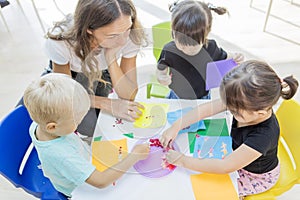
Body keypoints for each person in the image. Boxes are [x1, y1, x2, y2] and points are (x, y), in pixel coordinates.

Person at [159, 60, 298, 198]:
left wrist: (182, 160)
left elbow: (225, 166)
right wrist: (176, 126)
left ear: (260, 113)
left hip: (255, 177)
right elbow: (205, 109)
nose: (230, 110)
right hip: (238, 156)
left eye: (235, 112)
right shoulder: (244, 103)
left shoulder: (263, 136)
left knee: (211, 190)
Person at [23, 73, 150, 198]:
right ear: (52, 127)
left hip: (82, 160)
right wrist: (134, 156)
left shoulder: (39, 124)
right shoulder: (63, 156)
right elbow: (101, 181)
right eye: (76, 121)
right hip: (80, 189)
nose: (79, 123)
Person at [44, 0, 148, 137]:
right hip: (72, 76)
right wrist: (108, 104)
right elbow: (66, 94)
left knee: (105, 123)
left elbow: (129, 95)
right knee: (84, 125)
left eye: (127, 29)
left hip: (103, 72)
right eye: (113, 36)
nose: (123, 41)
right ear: (89, 30)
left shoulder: (129, 34)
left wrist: (111, 58)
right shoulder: (61, 41)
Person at [156, 0, 244, 99]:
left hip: (202, 97)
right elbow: (161, 70)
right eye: (180, 42)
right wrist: (161, 77)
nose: (185, 48)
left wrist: (236, 56)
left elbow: (226, 56)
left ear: (206, 34)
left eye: (193, 44)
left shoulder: (211, 48)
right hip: (176, 96)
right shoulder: (169, 50)